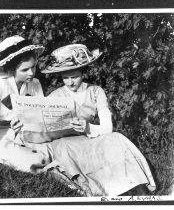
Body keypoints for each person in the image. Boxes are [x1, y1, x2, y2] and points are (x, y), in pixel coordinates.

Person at [41, 44, 157, 196]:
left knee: (116, 138)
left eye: (74, 76)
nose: (70, 82)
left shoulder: (96, 92)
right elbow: (45, 126)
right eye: (65, 78)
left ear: (83, 73)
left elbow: (107, 127)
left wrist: (88, 127)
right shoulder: (54, 96)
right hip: (66, 142)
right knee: (63, 147)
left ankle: (135, 186)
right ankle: (92, 189)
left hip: (88, 136)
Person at [0, 35, 50, 172]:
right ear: (10, 70)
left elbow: (40, 115)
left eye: (33, 67)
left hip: (28, 132)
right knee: (36, 160)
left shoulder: (35, 84)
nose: (31, 73)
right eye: (24, 70)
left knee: (54, 151)